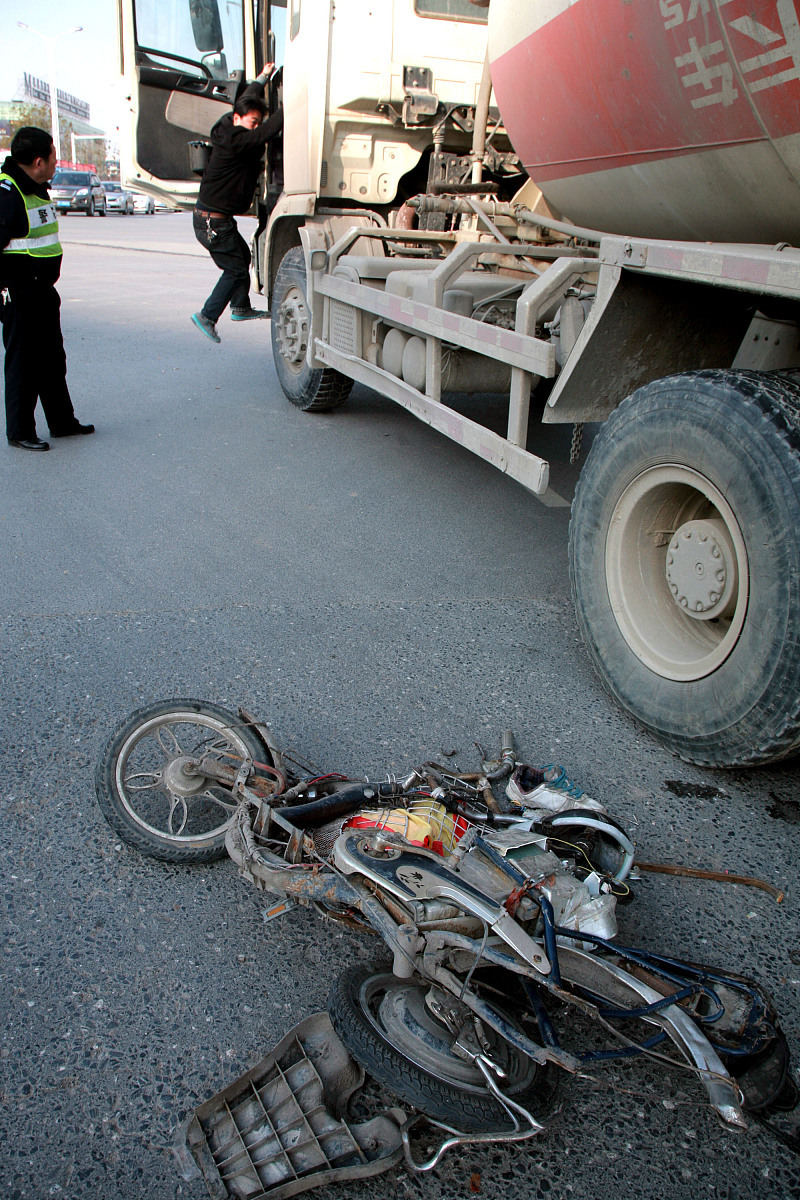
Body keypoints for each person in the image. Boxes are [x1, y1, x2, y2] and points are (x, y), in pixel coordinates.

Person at [0, 126, 94, 451]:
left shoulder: (35, 187)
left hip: (42, 291)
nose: (58, 162)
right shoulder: (8, 194)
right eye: (54, 156)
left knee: (52, 358)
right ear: (39, 161)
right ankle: (20, 431)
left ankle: (62, 422)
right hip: (18, 293)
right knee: (23, 363)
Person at [192, 70, 283, 343]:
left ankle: (240, 307)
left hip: (218, 220)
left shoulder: (231, 129)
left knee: (242, 257)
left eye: (257, 122)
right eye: (252, 122)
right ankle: (207, 315)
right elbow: (265, 133)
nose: (255, 127)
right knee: (235, 269)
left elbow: (247, 99)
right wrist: (296, 102)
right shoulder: (236, 140)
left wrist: (262, 79)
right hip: (212, 223)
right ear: (236, 119)